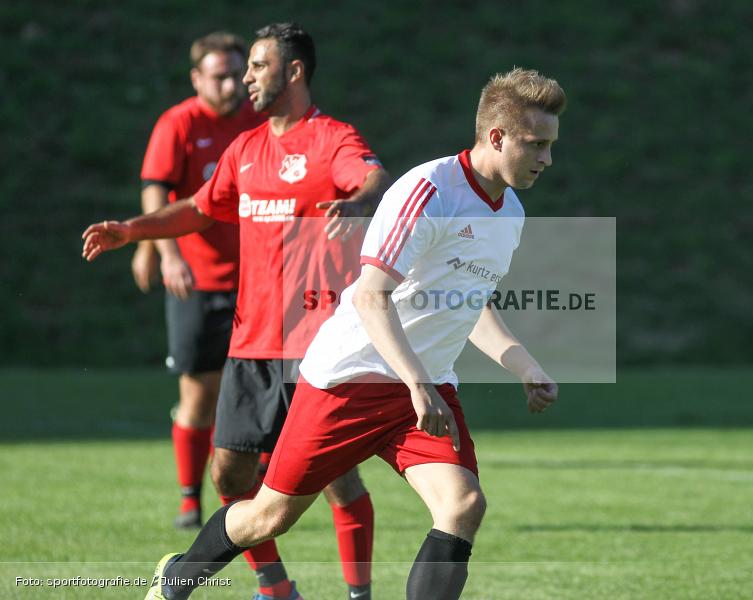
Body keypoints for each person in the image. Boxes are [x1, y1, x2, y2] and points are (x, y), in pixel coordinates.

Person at [126, 66, 565, 600]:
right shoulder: (428, 192)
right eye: (536, 144)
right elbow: (368, 295)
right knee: (270, 515)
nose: (546, 159)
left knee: (463, 504)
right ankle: (176, 577)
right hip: (349, 381)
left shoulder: (510, 212)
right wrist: (417, 384)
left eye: (549, 146)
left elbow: (469, 303)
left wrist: (526, 366)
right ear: (496, 137)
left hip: (420, 390)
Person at [83, 22, 390, 600]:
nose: (246, 78)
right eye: (244, 67)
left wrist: (358, 202)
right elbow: (201, 208)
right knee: (229, 472)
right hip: (251, 345)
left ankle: (359, 594)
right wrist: (133, 230)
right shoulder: (246, 148)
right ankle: (273, 586)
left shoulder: (331, 138)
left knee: (337, 480)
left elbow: (373, 177)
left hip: (317, 344)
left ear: (293, 71)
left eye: (257, 66)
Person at [132, 31, 265, 532]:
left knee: (263, 391)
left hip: (258, 285)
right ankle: (191, 499)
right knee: (200, 393)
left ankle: (255, 494)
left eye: (237, 73)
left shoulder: (258, 121)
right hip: (198, 282)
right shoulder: (179, 123)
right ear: (197, 78)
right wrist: (165, 253)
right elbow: (156, 193)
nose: (232, 84)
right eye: (220, 75)